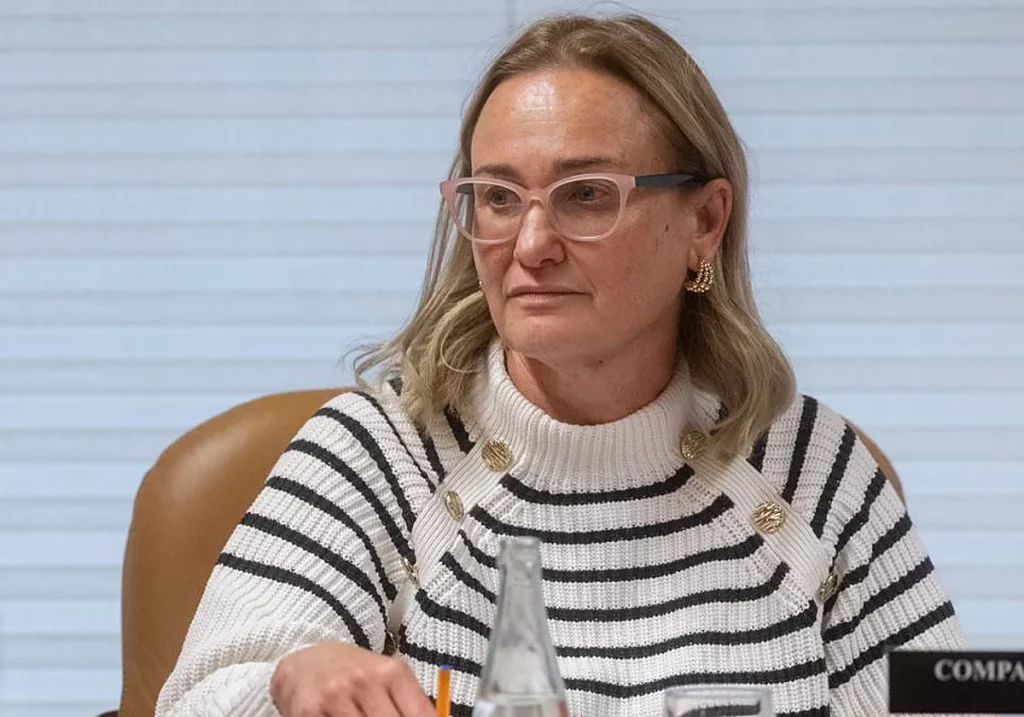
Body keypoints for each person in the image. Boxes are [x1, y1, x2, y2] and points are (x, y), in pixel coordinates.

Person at [156, 13, 965, 717]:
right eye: (499, 198)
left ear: (705, 222)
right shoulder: (375, 452)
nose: (531, 245)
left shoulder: (808, 471)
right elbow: (197, 701)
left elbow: (963, 700)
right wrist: (291, 680)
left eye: (584, 194)